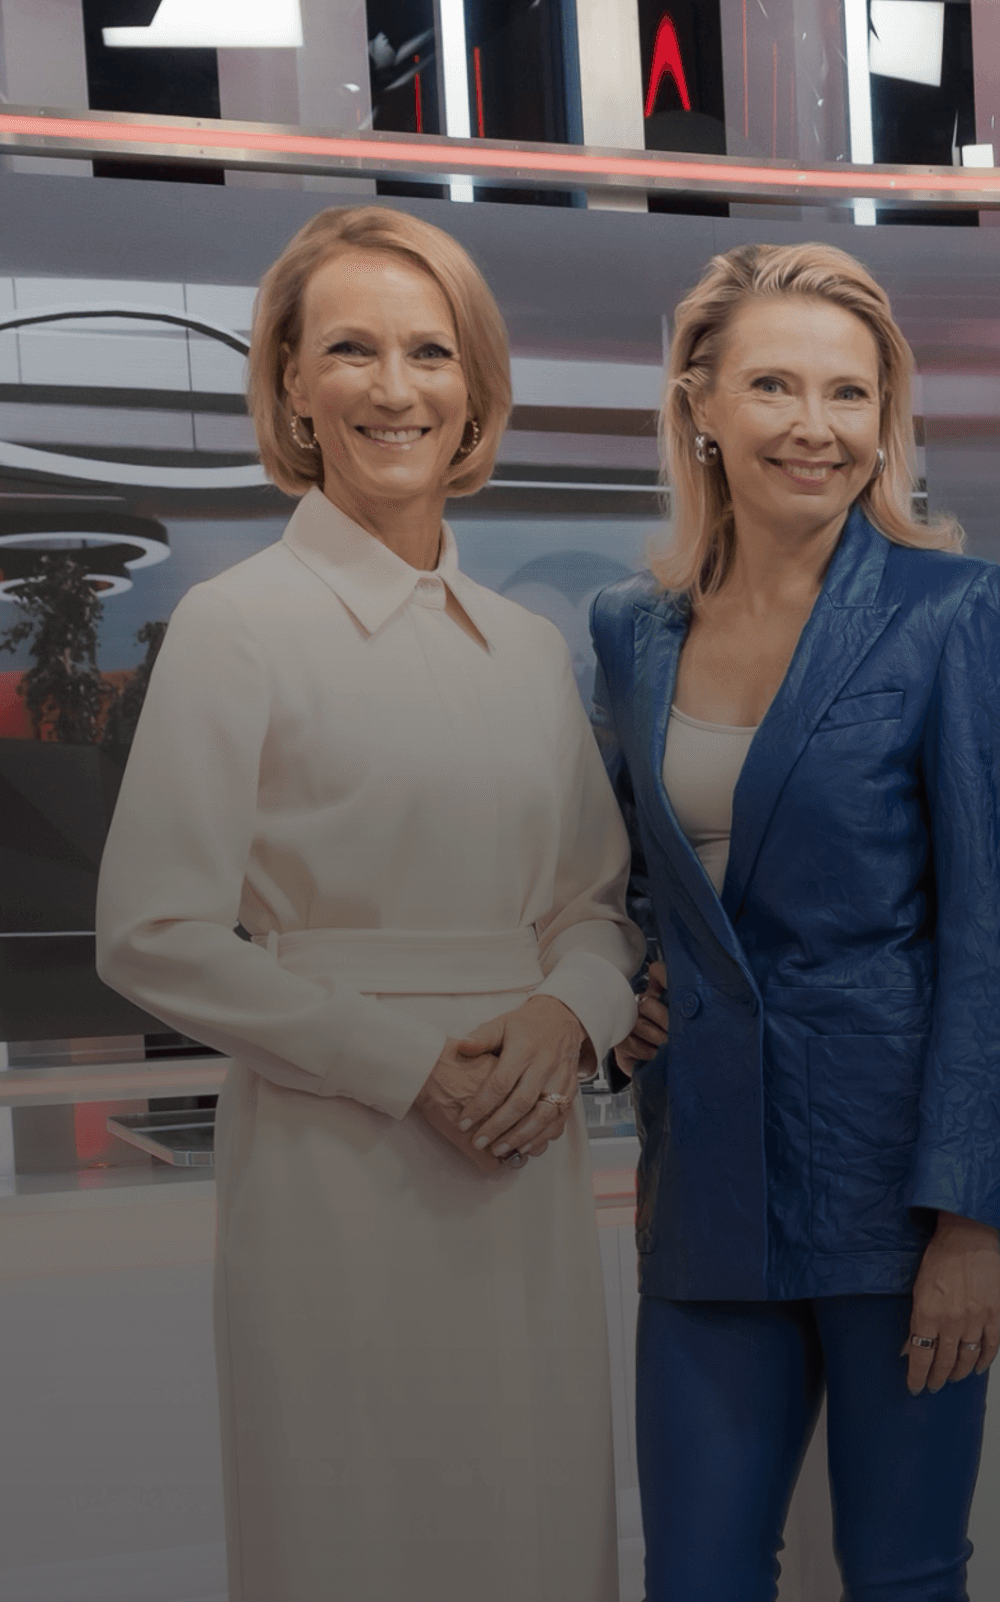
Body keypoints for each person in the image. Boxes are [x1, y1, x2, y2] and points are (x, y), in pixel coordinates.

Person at [93, 206, 638, 1601]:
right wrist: (408, 1067)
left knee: (535, 1524)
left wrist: (568, 1021)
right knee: (353, 1532)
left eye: (429, 352)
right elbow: (152, 931)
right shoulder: (236, 624)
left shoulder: (527, 649)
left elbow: (593, 901)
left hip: (524, 1149)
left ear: (476, 389)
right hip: (332, 1160)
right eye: (350, 349)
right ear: (291, 386)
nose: (396, 388)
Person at [590, 242, 1000, 1602]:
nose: (816, 426)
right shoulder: (630, 630)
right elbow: (625, 877)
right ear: (700, 405)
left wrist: (969, 1219)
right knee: (698, 1575)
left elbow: (994, 934)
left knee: (903, 1575)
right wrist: (624, 986)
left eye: (850, 394)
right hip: (706, 1177)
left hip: (898, 1194)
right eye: (775, 385)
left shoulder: (954, 611)